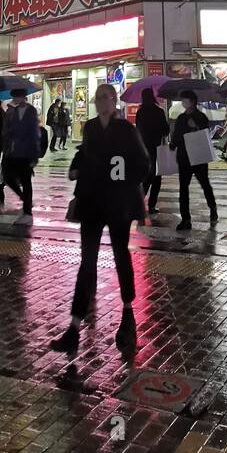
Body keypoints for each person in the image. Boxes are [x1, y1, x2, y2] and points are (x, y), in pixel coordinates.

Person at [50, 82, 150, 355]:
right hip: (92, 204)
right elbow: (86, 155)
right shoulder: (91, 127)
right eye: (98, 98)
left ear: (115, 101)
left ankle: (128, 314)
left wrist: (125, 183)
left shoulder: (127, 130)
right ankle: (73, 327)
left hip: (117, 205)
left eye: (106, 97)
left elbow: (143, 164)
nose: (102, 102)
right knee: (87, 263)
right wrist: (77, 168)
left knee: (121, 257)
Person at [169, 90, 217, 232]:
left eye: (185, 100)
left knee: (205, 183)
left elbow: (205, 134)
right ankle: (185, 219)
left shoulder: (201, 117)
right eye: (182, 100)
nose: (183, 102)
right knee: (183, 188)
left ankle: (212, 207)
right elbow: (177, 136)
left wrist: (194, 127)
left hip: (198, 156)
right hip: (184, 157)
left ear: (192, 101)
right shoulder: (181, 118)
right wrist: (172, 145)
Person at [2, 88, 41, 224]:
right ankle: (24, 198)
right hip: (14, 151)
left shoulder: (31, 111)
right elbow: (10, 130)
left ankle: (27, 213)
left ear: (23, 97)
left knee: (26, 181)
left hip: (26, 152)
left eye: (16, 97)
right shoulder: (15, 111)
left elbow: (35, 132)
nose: (14, 100)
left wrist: (35, 155)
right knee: (7, 177)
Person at [136, 87, 169, 213]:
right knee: (156, 178)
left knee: (146, 177)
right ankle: (151, 205)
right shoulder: (159, 111)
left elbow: (138, 130)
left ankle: (139, 203)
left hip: (144, 149)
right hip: (156, 148)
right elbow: (165, 131)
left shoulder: (140, 112)